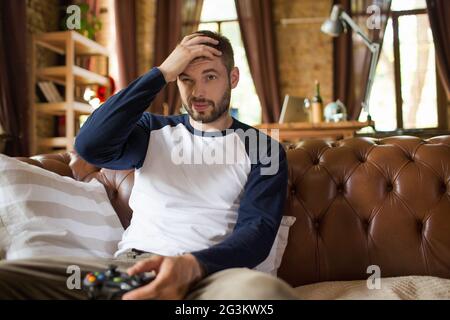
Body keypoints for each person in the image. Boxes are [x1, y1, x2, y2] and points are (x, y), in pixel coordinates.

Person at [0, 30, 298, 300]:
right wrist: (161, 73)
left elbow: (258, 232)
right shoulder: (151, 131)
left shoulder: (265, 147)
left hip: (209, 277)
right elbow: (89, 145)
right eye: (186, 78)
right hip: (129, 271)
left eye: (210, 77)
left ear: (232, 78)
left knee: (265, 294)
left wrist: (192, 266)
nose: (198, 93)